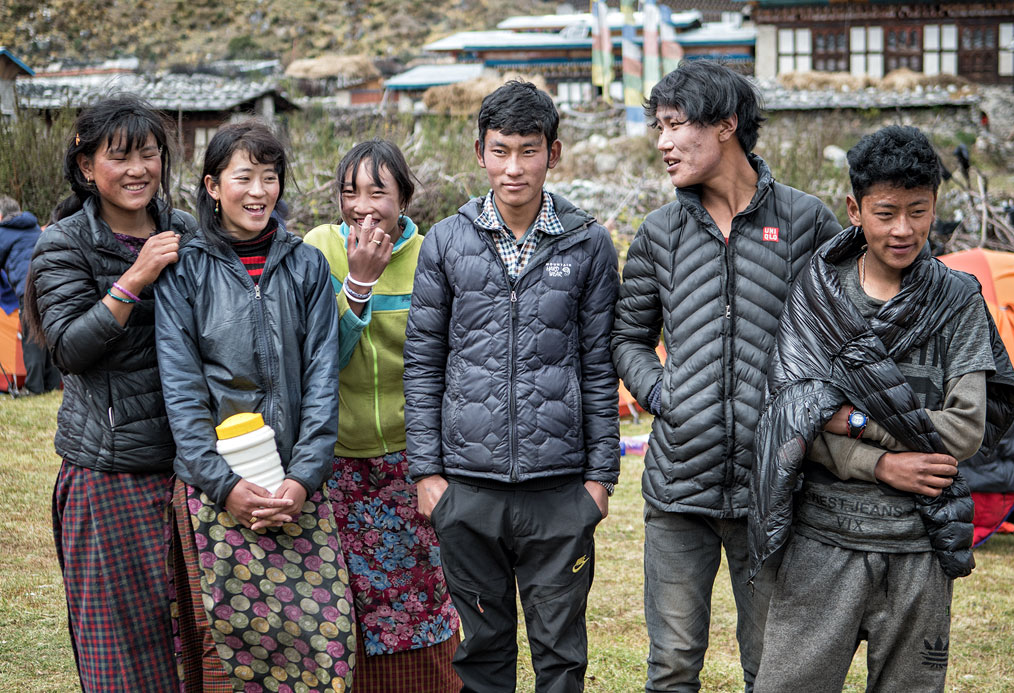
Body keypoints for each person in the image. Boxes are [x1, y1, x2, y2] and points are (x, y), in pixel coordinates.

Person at [749, 125, 1014, 692]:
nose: (903, 230)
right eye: (886, 212)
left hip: (917, 545)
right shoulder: (819, 298)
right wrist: (881, 464)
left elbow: (966, 428)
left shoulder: (957, 301)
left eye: (918, 212)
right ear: (854, 209)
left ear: (935, 207)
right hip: (822, 538)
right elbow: (793, 414)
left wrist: (848, 419)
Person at [610, 60, 843, 692]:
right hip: (677, 489)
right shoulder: (659, 234)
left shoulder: (806, 222)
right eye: (658, 127)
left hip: (775, 486)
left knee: (770, 668)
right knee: (673, 665)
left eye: (675, 125)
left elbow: (843, 338)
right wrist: (663, 394)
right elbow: (627, 338)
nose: (662, 142)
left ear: (726, 126)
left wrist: (804, 414)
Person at [403, 80, 620, 692]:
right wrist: (428, 475)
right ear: (479, 153)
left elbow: (600, 367)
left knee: (560, 658)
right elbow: (422, 362)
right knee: (481, 657)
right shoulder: (446, 240)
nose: (514, 168)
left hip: (560, 491)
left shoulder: (588, 243)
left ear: (554, 153)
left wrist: (600, 481)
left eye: (529, 151)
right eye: (500, 151)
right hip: (467, 490)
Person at [154, 120, 356, 692]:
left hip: (298, 485)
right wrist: (226, 486)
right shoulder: (185, 271)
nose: (258, 191)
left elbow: (322, 380)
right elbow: (183, 392)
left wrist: (302, 480)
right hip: (221, 488)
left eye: (270, 177)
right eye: (244, 176)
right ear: (214, 186)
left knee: (326, 643)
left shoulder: (306, 267)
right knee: (235, 646)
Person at [24, 95, 197, 691]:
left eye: (148, 155)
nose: (137, 170)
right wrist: (134, 278)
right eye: (119, 157)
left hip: (191, 468)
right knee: (124, 656)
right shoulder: (63, 244)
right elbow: (69, 348)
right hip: (109, 475)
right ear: (85, 166)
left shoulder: (184, 231)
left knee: (198, 645)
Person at [303, 140, 462, 692]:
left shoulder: (434, 252)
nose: (362, 206)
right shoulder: (316, 250)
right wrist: (359, 284)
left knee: (422, 597)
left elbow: (450, 360)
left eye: (378, 191)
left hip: (413, 459)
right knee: (343, 603)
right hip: (337, 459)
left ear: (405, 198)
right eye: (349, 192)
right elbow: (319, 361)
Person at [1, 195, 61, 394]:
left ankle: (35, 387)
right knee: (48, 334)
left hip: (28, 289)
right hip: (52, 286)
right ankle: (52, 384)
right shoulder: (34, 227)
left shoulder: (3, 232)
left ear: (1, 215)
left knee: (31, 336)